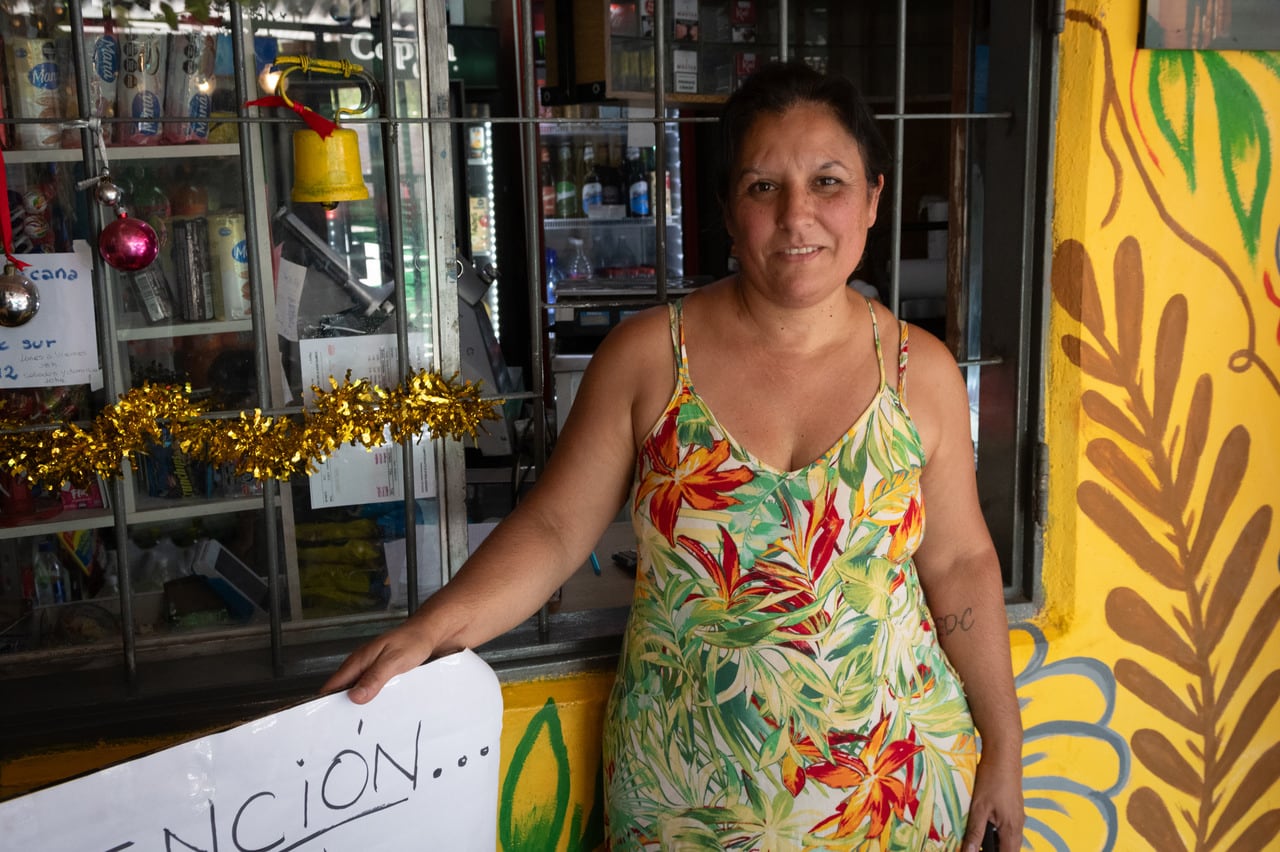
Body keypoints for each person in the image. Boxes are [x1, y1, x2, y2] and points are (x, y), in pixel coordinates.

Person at [324, 60, 1024, 851]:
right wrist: (433, 631)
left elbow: (961, 562)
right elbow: (556, 528)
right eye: (763, 187)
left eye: (828, 181)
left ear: (872, 197)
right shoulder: (651, 358)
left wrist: (1005, 744)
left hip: (895, 794)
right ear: (728, 210)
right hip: (685, 800)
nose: (798, 216)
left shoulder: (918, 371)